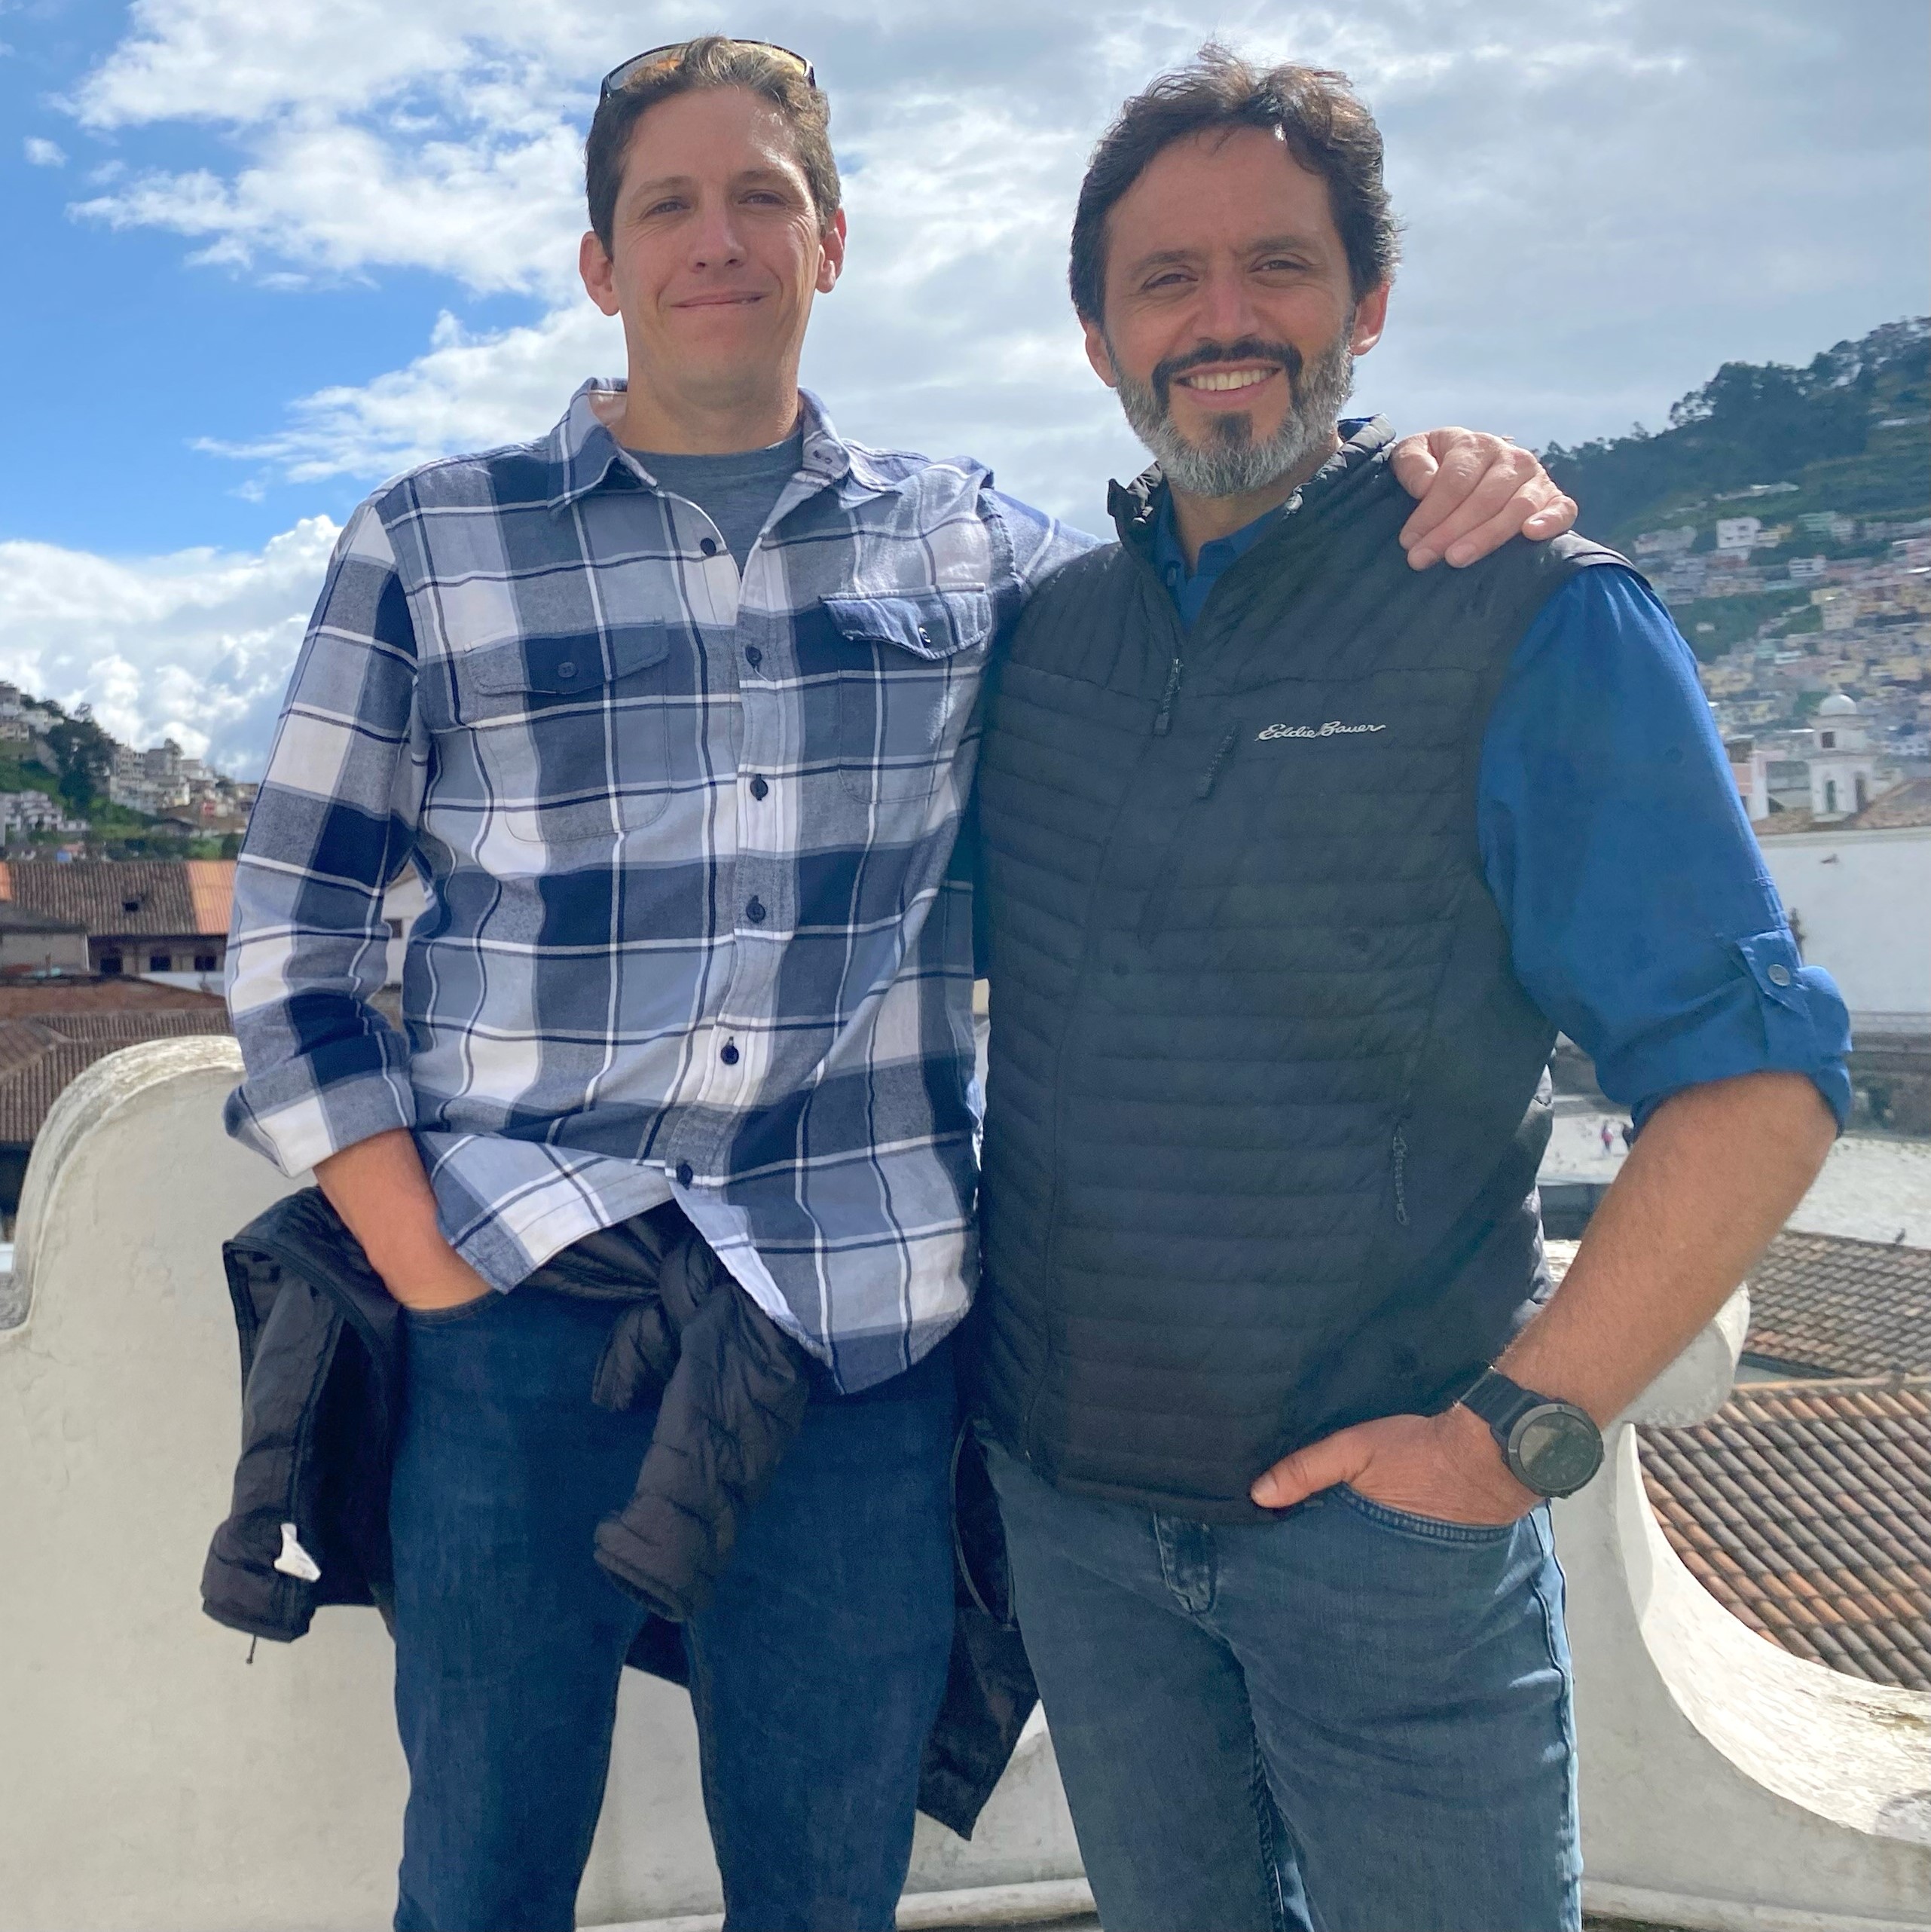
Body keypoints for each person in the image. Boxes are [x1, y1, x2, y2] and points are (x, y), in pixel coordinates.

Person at [223, 35, 1578, 1932]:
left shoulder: (973, 549)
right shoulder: (432, 542)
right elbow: (292, 941)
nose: (717, 239)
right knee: (479, 1870)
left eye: (760, 197)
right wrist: (433, 1277)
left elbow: (1212, 571)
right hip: (520, 1311)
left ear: (831, 242)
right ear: (602, 264)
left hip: (853, 1342)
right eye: (667, 207)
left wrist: (1421, 466)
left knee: (826, 1881)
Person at [969, 47, 1852, 1932]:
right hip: (1077, 1526)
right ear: (1097, 338)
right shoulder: (1042, 642)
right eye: (1167, 279)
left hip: (1385, 1545)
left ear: (1366, 305)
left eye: (1279, 266)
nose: (1224, 320)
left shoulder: (1531, 610)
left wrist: (1505, 1444)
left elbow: (1757, 1084)